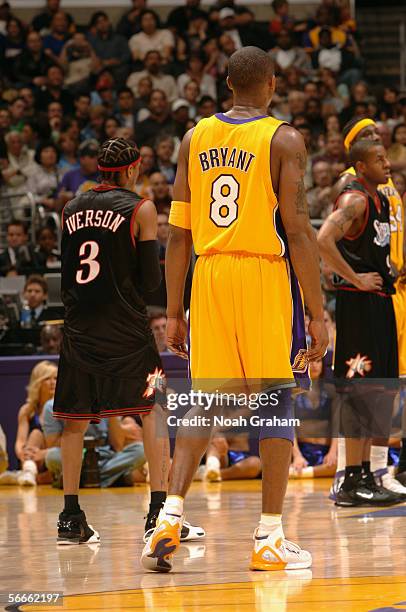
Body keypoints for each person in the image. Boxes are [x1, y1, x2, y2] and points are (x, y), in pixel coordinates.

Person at [141, 46, 328, 572]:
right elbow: (296, 228)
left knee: (204, 400)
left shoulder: (193, 137)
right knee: (274, 401)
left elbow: (178, 233)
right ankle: (269, 536)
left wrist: (175, 310)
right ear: (271, 83)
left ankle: (169, 515)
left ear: (226, 82)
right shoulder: (283, 138)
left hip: (209, 273)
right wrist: (316, 310)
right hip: (262, 272)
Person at [53, 137, 203, 545]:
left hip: (80, 326)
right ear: (133, 170)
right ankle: (158, 511)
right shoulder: (141, 208)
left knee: (74, 421)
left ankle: (70, 516)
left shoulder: (69, 208)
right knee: (153, 408)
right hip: (125, 328)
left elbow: (67, 270)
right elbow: (151, 281)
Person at [318, 140, 402, 506]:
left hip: (380, 302)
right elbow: (323, 239)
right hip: (358, 305)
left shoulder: (380, 199)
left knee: (381, 391)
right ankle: (351, 479)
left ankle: (367, 473)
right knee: (358, 393)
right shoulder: (354, 199)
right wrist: (354, 277)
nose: (387, 163)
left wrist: (387, 269)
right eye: (379, 159)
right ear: (360, 166)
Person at [43, 400, 146, 488]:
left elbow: (118, 445)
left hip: (105, 457)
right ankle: (113, 478)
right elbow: (53, 444)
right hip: (75, 456)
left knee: (141, 450)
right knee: (52, 456)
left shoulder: (107, 401)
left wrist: (110, 410)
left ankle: (80, 479)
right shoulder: (51, 406)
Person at [14, 360, 57, 486]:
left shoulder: (64, 408)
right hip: (32, 457)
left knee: (38, 434)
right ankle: (28, 470)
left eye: (55, 378)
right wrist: (23, 454)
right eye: (47, 379)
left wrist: (44, 454)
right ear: (38, 382)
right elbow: (20, 441)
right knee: (36, 434)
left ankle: (28, 476)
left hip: (52, 455)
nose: (53, 382)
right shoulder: (28, 410)